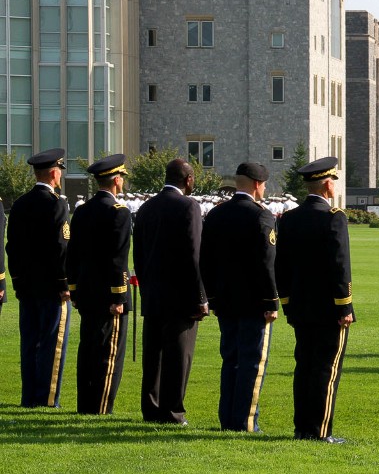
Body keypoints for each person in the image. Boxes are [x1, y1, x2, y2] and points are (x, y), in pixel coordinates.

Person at [275, 157, 354, 443]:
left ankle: (302, 428)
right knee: (326, 370)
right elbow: (340, 265)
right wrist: (345, 305)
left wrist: (286, 303)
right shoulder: (334, 217)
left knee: (304, 367)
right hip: (329, 309)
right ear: (327, 184)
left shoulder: (289, 218)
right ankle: (320, 431)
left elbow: (280, 265)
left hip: (299, 307)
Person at [200, 162, 279, 432]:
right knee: (251, 362)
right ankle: (244, 421)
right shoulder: (261, 216)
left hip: (224, 300)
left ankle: (227, 420)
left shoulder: (216, 214)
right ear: (257, 184)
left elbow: (205, 261)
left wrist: (211, 296)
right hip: (254, 303)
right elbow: (266, 264)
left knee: (230, 360)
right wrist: (271, 301)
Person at [133, 158, 209, 424]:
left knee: (153, 356)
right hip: (181, 296)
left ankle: (151, 408)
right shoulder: (189, 206)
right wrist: (201, 298)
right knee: (179, 356)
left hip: (153, 293)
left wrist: (146, 286)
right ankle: (172, 411)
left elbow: (139, 254)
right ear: (188, 180)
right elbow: (194, 255)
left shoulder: (146, 208)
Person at [6, 148, 71, 407]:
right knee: (52, 344)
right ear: (54, 173)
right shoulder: (56, 203)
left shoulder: (21, 203)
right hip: (51, 287)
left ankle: (29, 397)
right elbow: (60, 247)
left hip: (27, 286)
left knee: (30, 342)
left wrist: (18, 281)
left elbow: (12, 248)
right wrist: (63, 283)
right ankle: (46, 398)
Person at [68, 154, 132, 414]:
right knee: (109, 354)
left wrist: (73, 289)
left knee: (88, 350)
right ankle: (101, 406)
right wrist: (118, 296)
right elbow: (118, 258)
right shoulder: (118, 212)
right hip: (108, 295)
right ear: (116, 180)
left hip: (86, 292)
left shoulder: (82, 211)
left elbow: (72, 255)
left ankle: (85, 403)